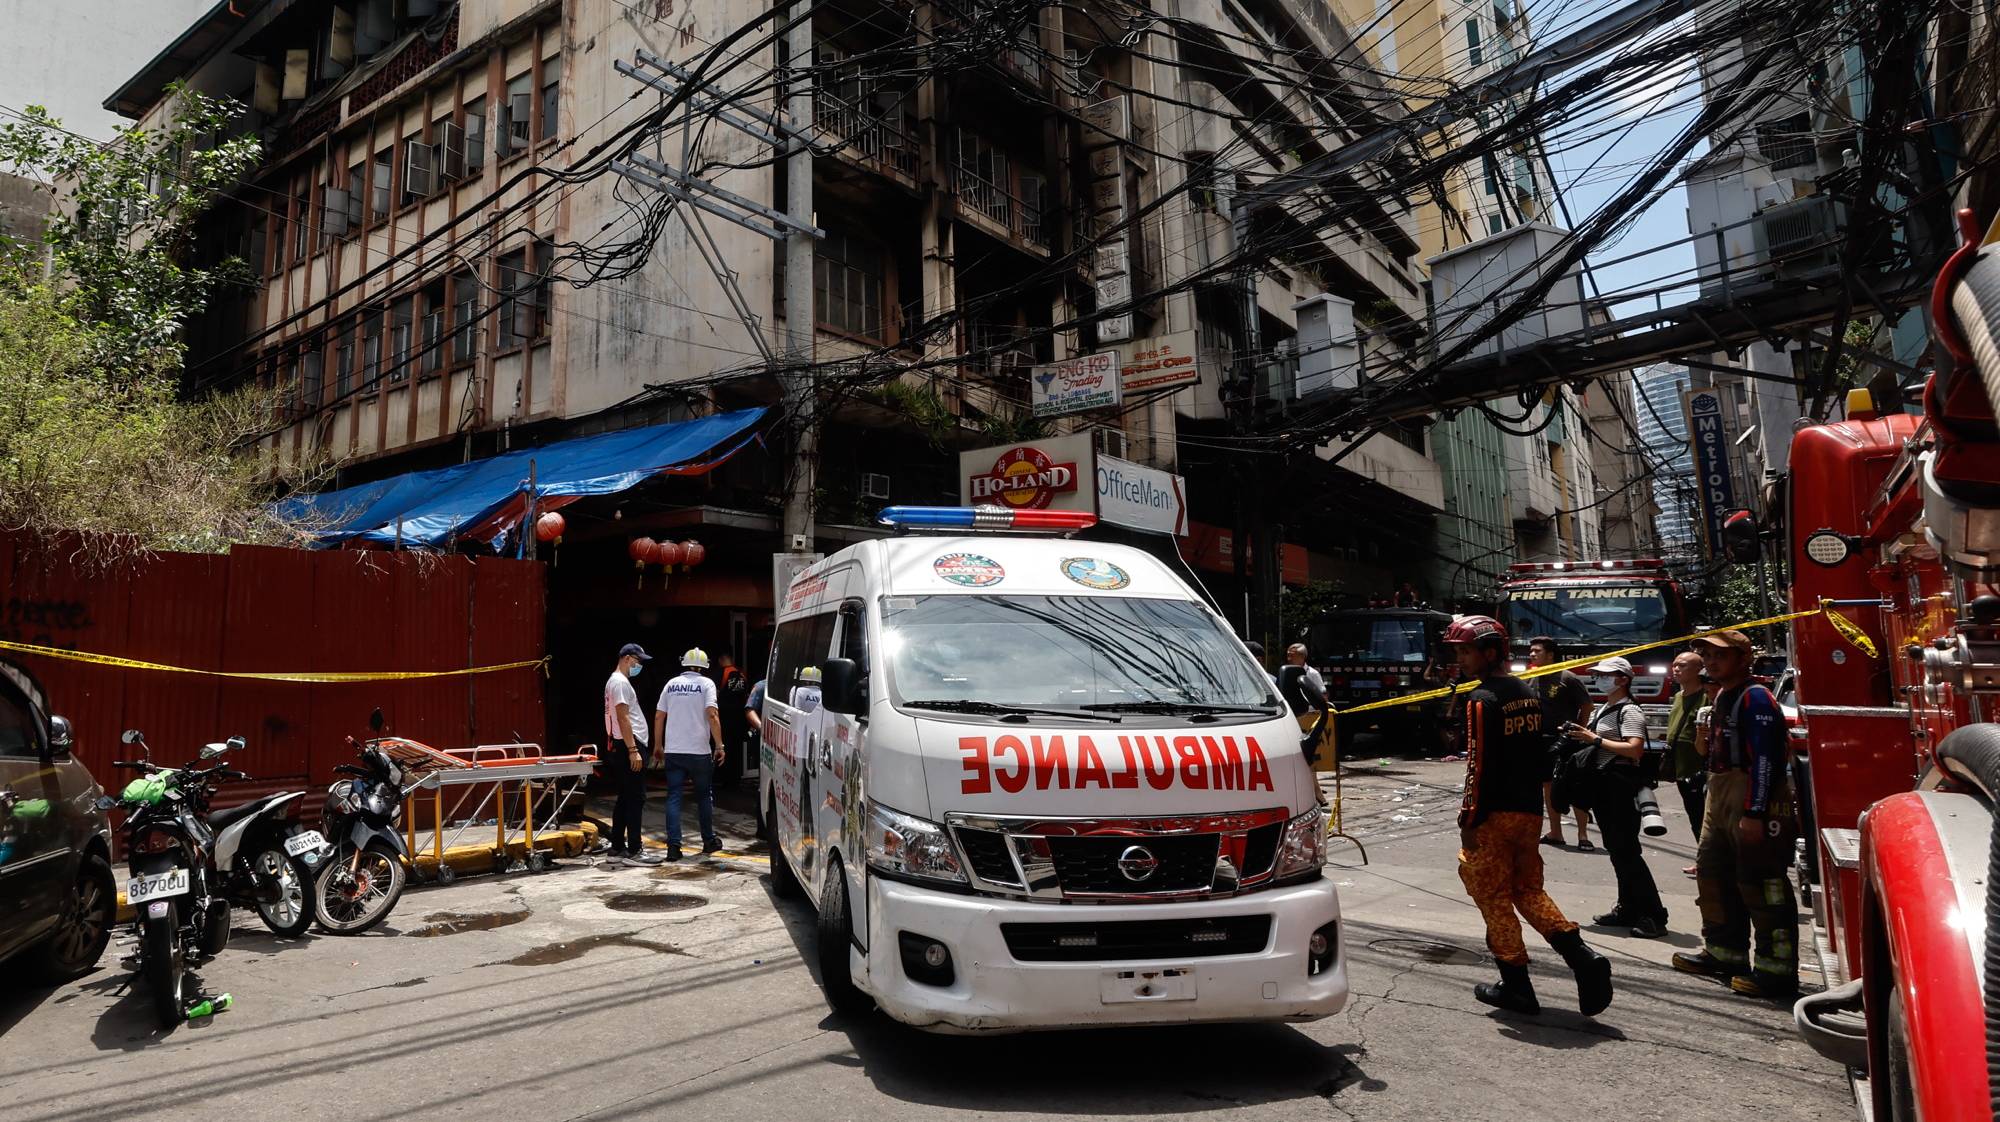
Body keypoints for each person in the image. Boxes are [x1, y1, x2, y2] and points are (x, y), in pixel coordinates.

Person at [1447, 614, 1613, 1017]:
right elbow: (1540, 757)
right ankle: (1582, 958)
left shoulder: (1482, 699)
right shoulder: (1527, 692)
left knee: (1494, 899)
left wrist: (1468, 819)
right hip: (1528, 812)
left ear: (1490, 652)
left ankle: (1517, 987)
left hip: (1493, 815)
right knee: (1528, 891)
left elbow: (1478, 765)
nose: (1461, 660)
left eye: (1466, 651)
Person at [1673, 630, 1800, 999]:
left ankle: (1776, 970)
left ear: (1743, 659)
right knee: (1714, 876)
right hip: (1721, 796)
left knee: (1761, 886)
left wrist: (1755, 813)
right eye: (1706, 656)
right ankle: (1723, 953)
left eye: (1720, 656)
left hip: (1751, 800)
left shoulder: (1755, 698)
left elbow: (1765, 759)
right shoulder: (1724, 696)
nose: (1711, 662)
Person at [1563, 656, 1667, 937]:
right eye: (1597, 675)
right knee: (1617, 851)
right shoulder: (1604, 708)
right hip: (1604, 786)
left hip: (1621, 786)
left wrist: (1594, 739)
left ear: (1623, 679)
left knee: (1627, 852)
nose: (1600, 679)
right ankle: (1628, 908)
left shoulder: (1629, 711)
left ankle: (1654, 916)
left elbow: (1634, 749)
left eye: (1606, 675)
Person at [653, 647, 727, 861]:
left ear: (684, 663)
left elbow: (659, 716)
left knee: (674, 796)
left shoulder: (671, 684)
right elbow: (712, 715)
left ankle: (674, 847)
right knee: (703, 796)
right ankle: (708, 840)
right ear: (704, 666)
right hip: (699, 752)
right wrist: (720, 745)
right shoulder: (706, 684)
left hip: (674, 751)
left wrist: (658, 745)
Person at [1527, 636, 1594, 850]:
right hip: (1541, 741)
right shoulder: (1531, 677)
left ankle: (1583, 836)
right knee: (1548, 787)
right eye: (1531, 651)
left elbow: (1587, 706)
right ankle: (1556, 832)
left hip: (1566, 741)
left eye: (1537, 651)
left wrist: (1577, 731)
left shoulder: (1569, 677)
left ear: (1550, 655)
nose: (1532, 654)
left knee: (1574, 786)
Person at [602, 643, 660, 866]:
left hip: (624, 744)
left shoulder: (616, 682)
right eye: (638, 661)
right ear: (627, 658)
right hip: (630, 744)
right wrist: (633, 750)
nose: (640, 665)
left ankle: (617, 847)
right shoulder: (619, 683)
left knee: (626, 797)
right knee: (636, 798)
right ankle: (635, 850)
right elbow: (623, 717)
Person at [1663, 651, 1708, 875]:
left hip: (1700, 769)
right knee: (1694, 817)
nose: (1676, 669)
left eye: (1683, 666)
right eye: (1675, 665)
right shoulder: (1679, 696)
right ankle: (1703, 860)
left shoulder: (1707, 697)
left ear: (1699, 670)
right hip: (1680, 769)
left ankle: (1708, 863)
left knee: (1704, 818)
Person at [1278, 643, 1332, 762]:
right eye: (1287, 655)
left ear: (1302, 656)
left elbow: (1323, 696)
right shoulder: (1285, 673)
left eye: (1292, 655)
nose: (1288, 658)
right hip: (1294, 716)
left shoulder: (1312, 674)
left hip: (1311, 718)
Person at [715, 653, 751, 783]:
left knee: (723, 747)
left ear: (721, 660)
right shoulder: (742, 675)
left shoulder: (721, 674)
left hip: (724, 718)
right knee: (737, 749)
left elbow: (715, 695)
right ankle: (735, 778)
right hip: (739, 718)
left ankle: (722, 778)